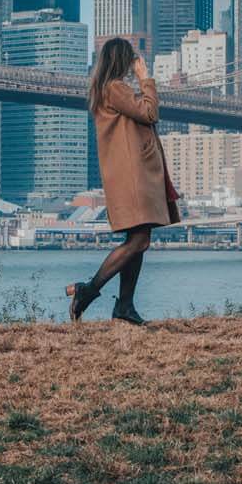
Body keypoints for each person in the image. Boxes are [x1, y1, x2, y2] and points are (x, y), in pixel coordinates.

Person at [66, 37, 181, 324]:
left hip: (132, 175)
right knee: (139, 241)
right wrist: (146, 79)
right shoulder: (115, 88)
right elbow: (149, 112)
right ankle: (87, 290)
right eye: (131, 60)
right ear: (121, 60)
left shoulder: (107, 89)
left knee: (139, 239)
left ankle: (125, 307)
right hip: (134, 178)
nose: (134, 65)